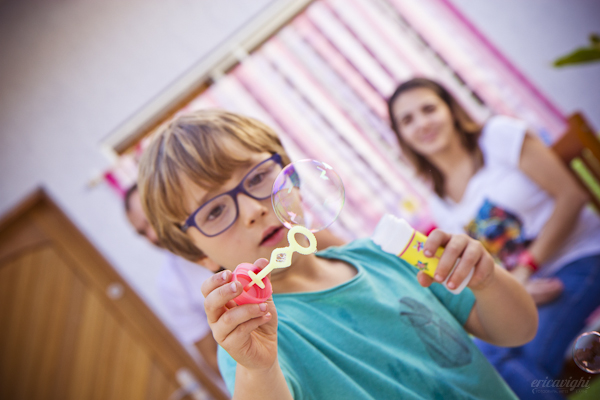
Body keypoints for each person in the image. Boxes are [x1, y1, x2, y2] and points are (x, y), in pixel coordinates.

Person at [137, 109, 537, 399]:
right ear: (197, 254)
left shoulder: (383, 255)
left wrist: (486, 280)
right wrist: (258, 369)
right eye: (215, 211)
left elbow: (518, 331)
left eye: (257, 177)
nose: (252, 210)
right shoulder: (255, 340)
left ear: (291, 175)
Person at [387, 77, 600, 399]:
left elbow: (572, 196)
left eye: (429, 109)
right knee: (483, 360)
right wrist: (517, 287)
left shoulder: (499, 136)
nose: (422, 123)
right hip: (530, 289)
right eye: (407, 120)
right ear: (401, 136)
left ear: (451, 109)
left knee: (510, 364)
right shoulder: (439, 202)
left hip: (582, 257)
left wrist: (524, 272)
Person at [125, 184, 221, 376]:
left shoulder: (226, 222)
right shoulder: (170, 285)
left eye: (151, 220)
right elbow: (211, 359)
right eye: (142, 232)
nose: (152, 236)